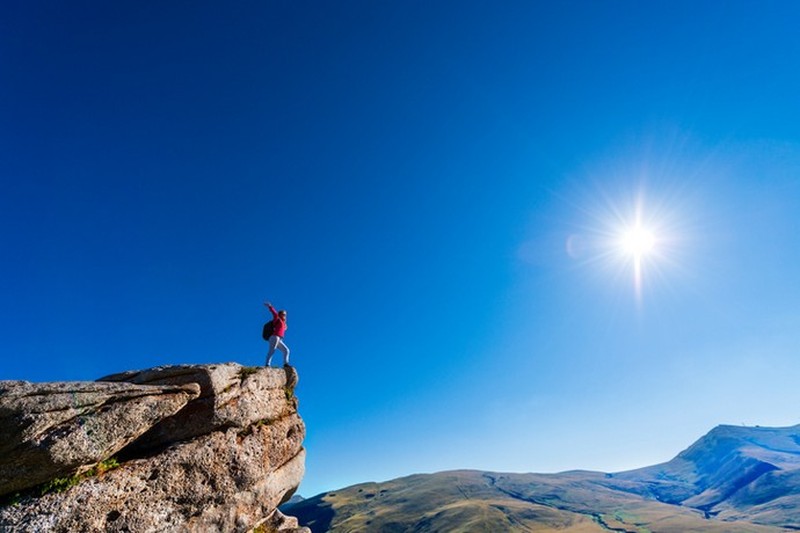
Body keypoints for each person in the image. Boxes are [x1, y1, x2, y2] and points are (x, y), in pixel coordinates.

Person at [264, 301, 290, 367]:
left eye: (285, 315)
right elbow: (274, 313)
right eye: (283, 314)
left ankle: (285, 364)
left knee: (286, 350)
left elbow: (283, 329)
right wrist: (270, 306)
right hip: (274, 337)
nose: (285, 316)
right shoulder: (277, 319)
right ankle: (267, 364)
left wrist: (285, 326)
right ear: (280, 314)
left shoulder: (284, 323)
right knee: (272, 350)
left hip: (279, 339)